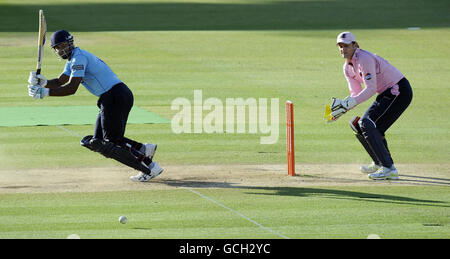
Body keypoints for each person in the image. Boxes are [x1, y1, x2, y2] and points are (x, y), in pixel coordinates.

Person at [27, 29, 163, 182]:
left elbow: (72, 88)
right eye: (57, 48)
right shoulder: (73, 59)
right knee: (96, 142)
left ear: (71, 43)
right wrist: (43, 82)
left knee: (112, 141)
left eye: (63, 45)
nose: (60, 50)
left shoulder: (79, 58)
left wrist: (45, 93)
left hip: (114, 96)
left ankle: (149, 166)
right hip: (113, 96)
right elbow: (60, 81)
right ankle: (143, 149)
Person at [330, 31, 413, 180]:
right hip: (387, 93)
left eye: (346, 46)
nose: (343, 49)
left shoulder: (364, 59)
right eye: (340, 46)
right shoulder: (347, 68)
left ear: (355, 45)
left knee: (367, 123)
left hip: (399, 90)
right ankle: (380, 162)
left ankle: (388, 168)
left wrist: (348, 104)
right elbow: (355, 93)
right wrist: (340, 110)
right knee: (357, 125)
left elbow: (371, 89)